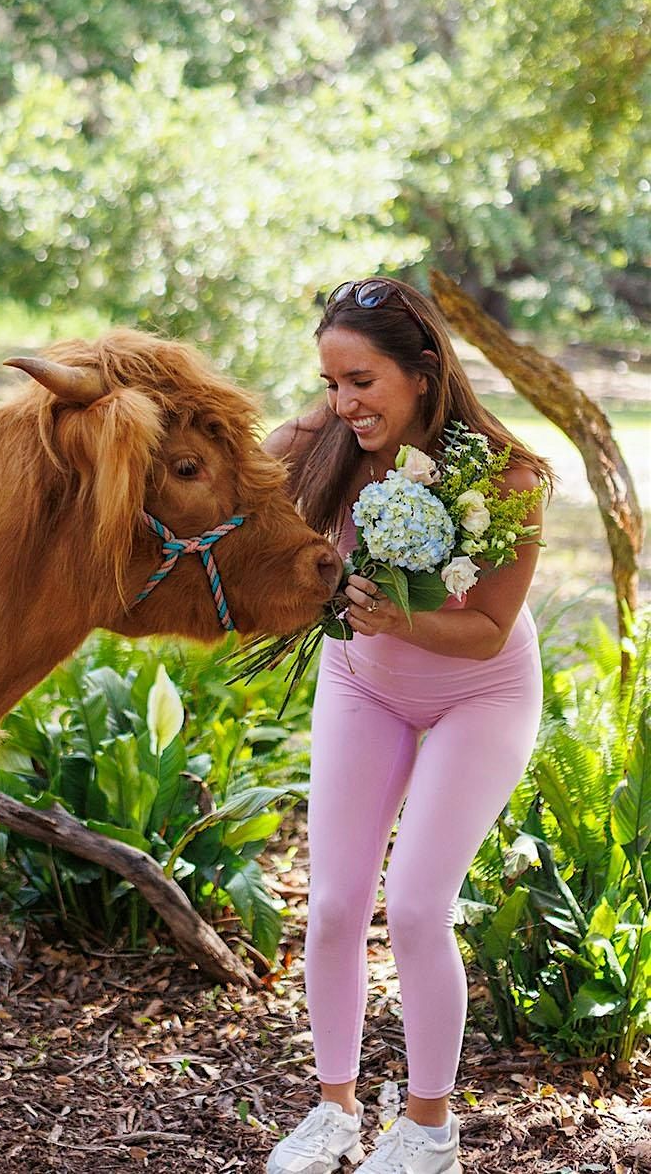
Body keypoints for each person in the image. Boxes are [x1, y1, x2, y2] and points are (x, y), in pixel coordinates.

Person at [264, 278, 551, 1174]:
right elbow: (239, 486)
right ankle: (335, 1111)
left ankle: (429, 1132)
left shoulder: (506, 476)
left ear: (423, 373)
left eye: (362, 381)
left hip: (480, 693)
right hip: (364, 684)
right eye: (331, 383)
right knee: (334, 904)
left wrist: (399, 618)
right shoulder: (326, 445)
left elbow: (487, 630)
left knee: (419, 906)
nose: (345, 402)